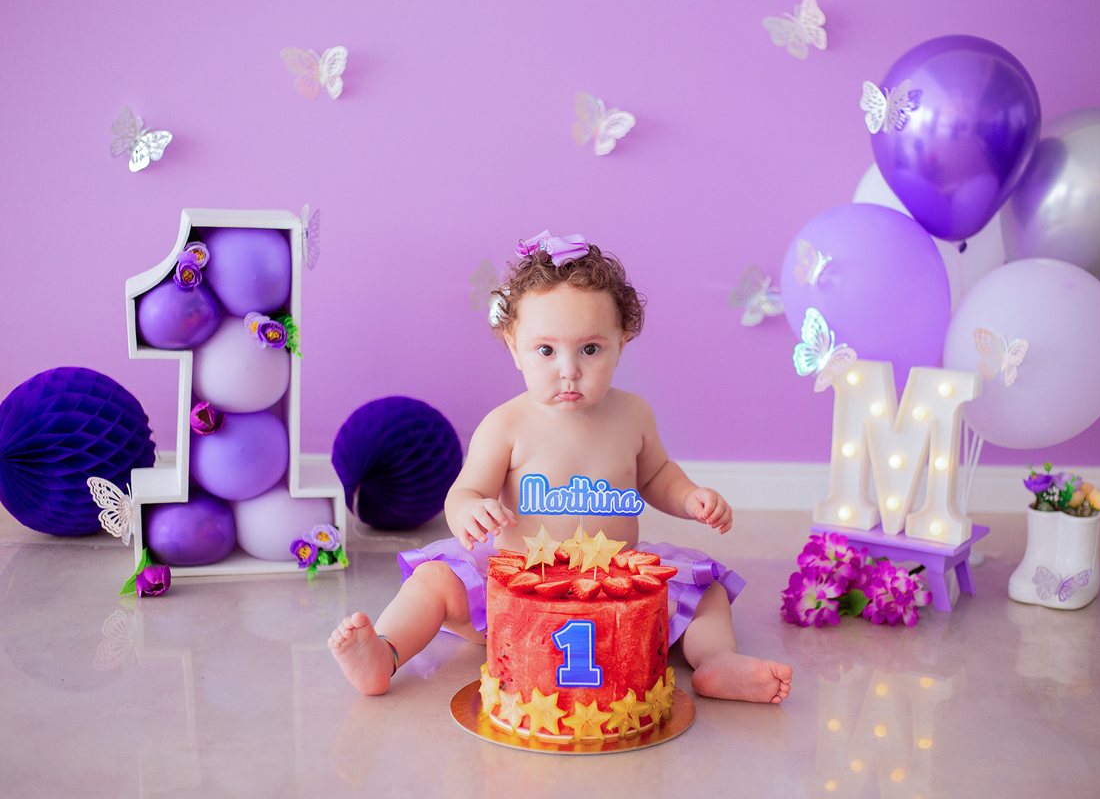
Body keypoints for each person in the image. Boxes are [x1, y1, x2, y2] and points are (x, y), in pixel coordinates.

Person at [329, 232, 792, 703]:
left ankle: (716, 662)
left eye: (590, 349)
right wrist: (471, 511)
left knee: (703, 588)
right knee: (434, 581)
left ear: (621, 343)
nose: (569, 370)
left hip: (615, 582)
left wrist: (690, 496)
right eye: (546, 351)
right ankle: (383, 654)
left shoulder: (633, 414)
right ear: (513, 346)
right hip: (513, 584)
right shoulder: (507, 424)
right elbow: (464, 492)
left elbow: (655, 476)